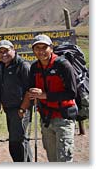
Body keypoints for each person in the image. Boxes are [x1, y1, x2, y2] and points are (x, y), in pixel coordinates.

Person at [21, 34, 77, 162]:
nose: (41, 51)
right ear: (33, 50)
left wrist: (45, 95)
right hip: (46, 118)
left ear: (51, 48)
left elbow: (72, 93)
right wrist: (28, 101)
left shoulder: (63, 65)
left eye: (44, 47)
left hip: (64, 118)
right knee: (52, 159)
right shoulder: (34, 68)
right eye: (37, 48)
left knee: (64, 158)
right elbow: (30, 89)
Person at [0, 40, 32, 162]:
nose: (3, 54)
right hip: (9, 110)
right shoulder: (1, 66)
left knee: (18, 143)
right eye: (0, 52)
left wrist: (23, 109)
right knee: (17, 142)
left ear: (13, 50)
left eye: (6, 51)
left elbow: (29, 91)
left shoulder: (23, 65)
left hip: (20, 110)